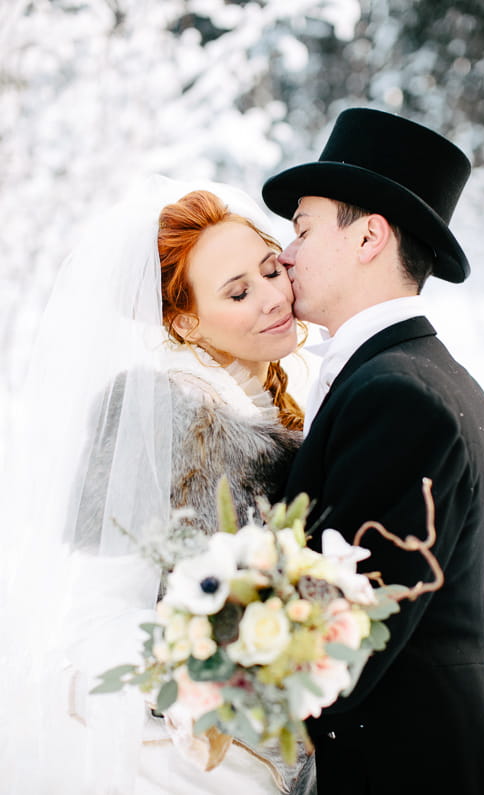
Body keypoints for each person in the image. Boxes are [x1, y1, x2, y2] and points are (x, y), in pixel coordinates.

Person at [1, 176, 315, 794]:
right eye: (238, 292)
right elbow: (97, 620)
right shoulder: (157, 419)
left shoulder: (263, 402)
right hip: (193, 768)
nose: (273, 297)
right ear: (189, 325)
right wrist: (211, 670)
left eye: (271, 270)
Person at [262, 108, 484, 795]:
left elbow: (341, 645)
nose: (285, 253)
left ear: (370, 236)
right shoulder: (419, 373)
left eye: (303, 228)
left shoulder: (399, 396)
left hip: (414, 765)